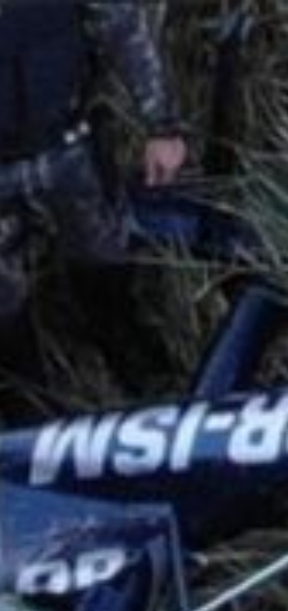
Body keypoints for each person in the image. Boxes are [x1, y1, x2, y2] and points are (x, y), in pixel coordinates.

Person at [0, 0, 187, 398]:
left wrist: (162, 124)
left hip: (69, 148)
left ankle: (144, 382)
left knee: (107, 268)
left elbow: (121, 23)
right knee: (7, 318)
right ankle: (33, 413)